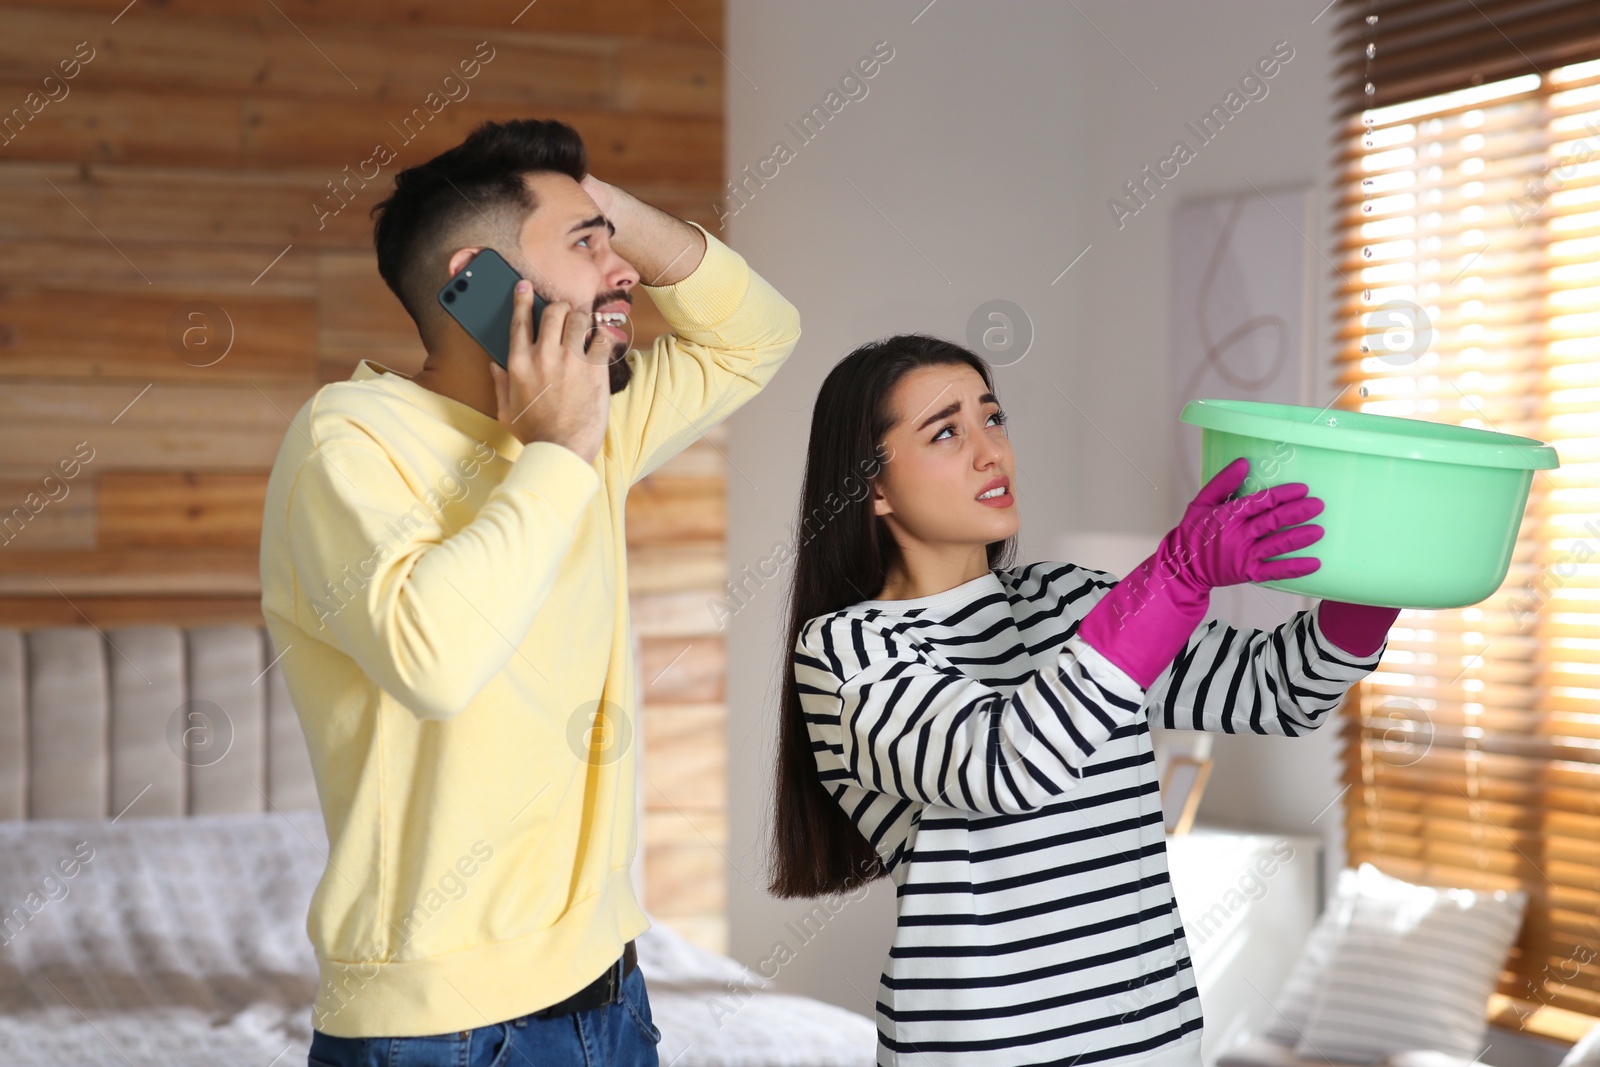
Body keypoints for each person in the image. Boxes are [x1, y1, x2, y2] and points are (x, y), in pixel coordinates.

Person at [259, 118, 801, 1066]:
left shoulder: (588, 427)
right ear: (476, 278)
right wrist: (558, 451)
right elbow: (432, 659)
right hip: (438, 1025)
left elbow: (761, 336)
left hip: (609, 988)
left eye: (613, 240)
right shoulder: (349, 439)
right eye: (588, 246)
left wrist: (598, 201)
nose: (624, 266)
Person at [769, 334, 1398, 1067]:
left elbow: (1276, 690)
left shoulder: (1067, 597)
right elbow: (1004, 765)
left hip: (1154, 1042)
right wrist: (1173, 579)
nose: (989, 452)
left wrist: (1381, 571)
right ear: (871, 487)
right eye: (946, 432)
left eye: (993, 418)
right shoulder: (850, 649)